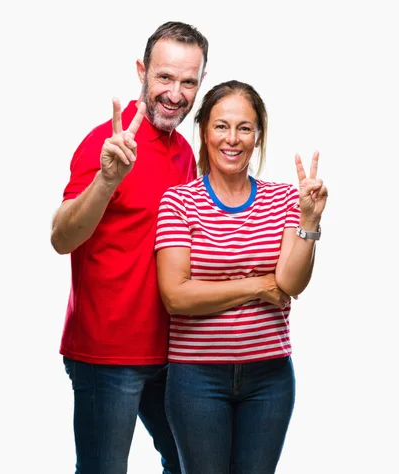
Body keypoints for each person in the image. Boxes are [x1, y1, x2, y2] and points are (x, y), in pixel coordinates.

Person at [50, 21, 209, 474]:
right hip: (107, 354)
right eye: (164, 77)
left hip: (172, 353)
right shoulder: (107, 145)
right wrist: (106, 180)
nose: (175, 94)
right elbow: (62, 237)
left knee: (191, 463)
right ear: (142, 71)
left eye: (188, 82)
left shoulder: (183, 151)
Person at [154, 80, 328, 474]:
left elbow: (291, 284)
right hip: (196, 379)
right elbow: (176, 297)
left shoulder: (285, 199)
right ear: (204, 131)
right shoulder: (179, 202)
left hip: (270, 378)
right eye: (221, 126)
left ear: (258, 136)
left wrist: (308, 221)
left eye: (244, 128)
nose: (232, 139)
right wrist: (257, 285)